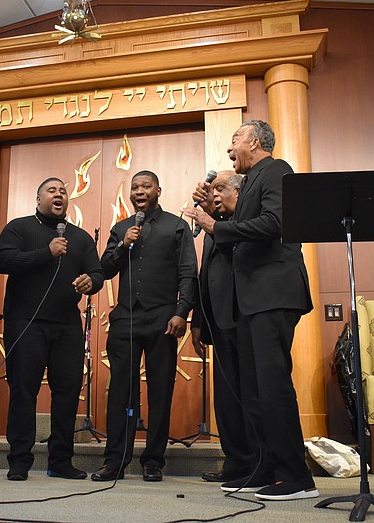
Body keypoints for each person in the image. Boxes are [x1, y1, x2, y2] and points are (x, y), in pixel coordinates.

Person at [189, 120, 317, 501]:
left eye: (234, 139)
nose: (230, 148)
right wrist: (216, 218)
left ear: (255, 141)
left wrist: (215, 224)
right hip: (251, 300)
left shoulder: (276, 170)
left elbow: (275, 223)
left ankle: (296, 475)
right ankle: (265, 467)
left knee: (273, 385)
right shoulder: (251, 183)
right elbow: (241, 237)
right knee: (255, 391)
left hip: (272, 294)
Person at [0, 177, 104, 482]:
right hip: (25, 322)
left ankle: (60, 460)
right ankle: (18, 461)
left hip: (67, 324)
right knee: (23, 391)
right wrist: (47, 252)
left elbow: (97, 272)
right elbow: (2, 261)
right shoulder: (19, 227)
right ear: (38, 198)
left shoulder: (80, 238)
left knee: (68, 393)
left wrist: (90, 282)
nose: (59, 195)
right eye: (52, 191)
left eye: (63, 191)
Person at [93, 170, 197, 483]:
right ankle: (115, 460)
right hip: (126, 317)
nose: (139, 191)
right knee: (121, 392)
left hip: (164, 318)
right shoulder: (121, 228)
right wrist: (122, 244)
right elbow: (105, 269)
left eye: (146, 186)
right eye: (135, 187)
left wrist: (181, 312)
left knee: (161, 390)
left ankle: (153, 460)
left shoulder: (177, 226)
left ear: (158, 190)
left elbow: (188, 274)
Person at [189, 170, 255, 483]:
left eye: (222, 188)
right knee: (226, 397)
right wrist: (199, 322)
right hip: (219, 322)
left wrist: (211, 223)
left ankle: (258, 463)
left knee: (249, 394)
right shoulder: (213, 226)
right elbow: (206, 277)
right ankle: (236, 463)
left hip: (247, 319)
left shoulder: (243, 223)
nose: (215, 195)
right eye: (212, 189)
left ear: (241, 193)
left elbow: (240, 254)